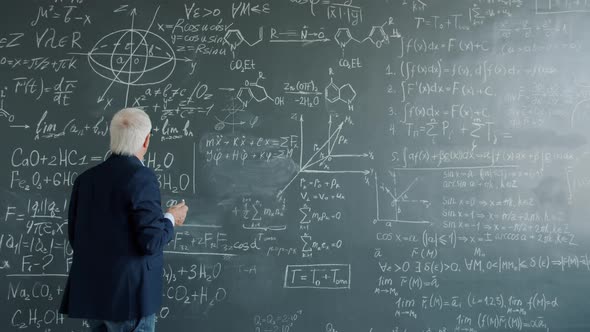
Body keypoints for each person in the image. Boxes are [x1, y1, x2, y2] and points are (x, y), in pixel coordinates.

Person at [59, 108, 188, 332]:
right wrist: (170, 217)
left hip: (96, 299)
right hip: (130, 301)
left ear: (113, 136)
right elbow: (151, 241)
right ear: (146, 140)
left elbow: (76, 238)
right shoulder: (141, 177)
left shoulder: (86, 180)